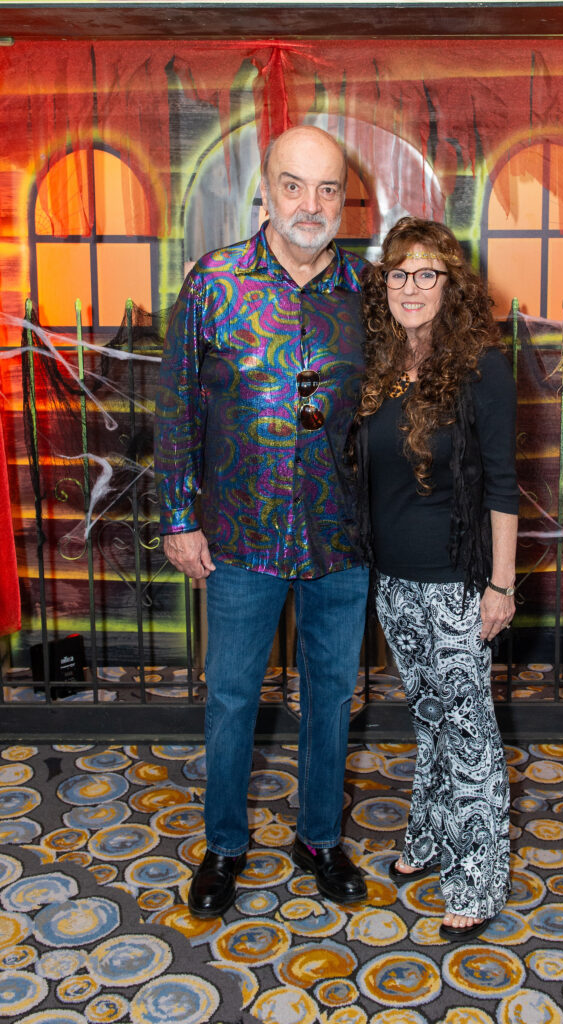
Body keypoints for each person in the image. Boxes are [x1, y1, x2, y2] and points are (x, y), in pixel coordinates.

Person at [155, 125, 369, 916]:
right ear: (266, 190)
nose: (309, 205)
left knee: (329, 695)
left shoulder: (367, 293)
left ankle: (319, 837)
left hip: (342, 539)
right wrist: (180, 515)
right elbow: (175, 406)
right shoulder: (214, 284)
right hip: (238, 538)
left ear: (344, 201)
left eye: (325, 190)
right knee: (232, 697)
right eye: (293, 185)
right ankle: (224, 845)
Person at [353, 216, 517, 941]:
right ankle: (426, 839)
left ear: (450, 286)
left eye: (426, 274)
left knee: (468, 730)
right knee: (427, 719)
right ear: (382, 283)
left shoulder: (482, 365)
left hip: (457, 583)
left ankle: (476, 877)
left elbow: (505, 488)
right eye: (398, 273)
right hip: (394, 582)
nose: (410, 287)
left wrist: (500, 587)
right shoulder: (379, 366)